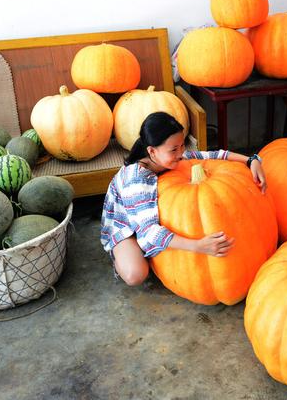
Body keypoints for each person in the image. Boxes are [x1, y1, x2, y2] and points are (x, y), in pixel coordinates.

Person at [100, 112, 267, 286]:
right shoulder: (135, 179)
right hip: (126, 225)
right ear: (152, 151)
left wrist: (251, 160)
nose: (181, 153)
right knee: (136, 274)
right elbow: (148, 231)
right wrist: (199, 246)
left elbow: (214, 155)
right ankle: (120, 254)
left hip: (145, 216)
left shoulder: (172, 156)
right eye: (174, 149)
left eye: (182, 145)